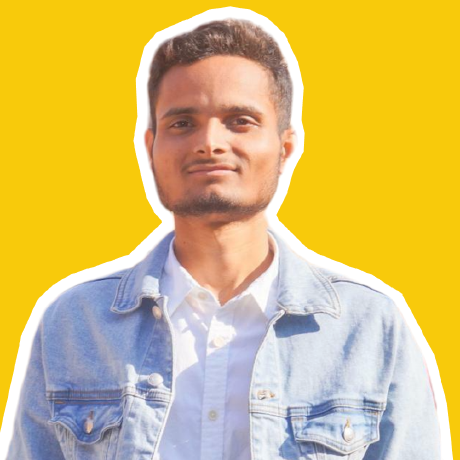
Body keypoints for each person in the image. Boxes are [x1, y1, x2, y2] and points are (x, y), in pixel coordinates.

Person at [6, 16, 442, 460]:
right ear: (150, 147)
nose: (210, 142)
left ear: (285, 146)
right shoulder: (75, 325)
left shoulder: (369, 328)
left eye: (240, 121)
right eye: (182, 123)